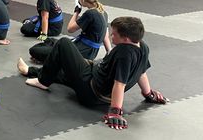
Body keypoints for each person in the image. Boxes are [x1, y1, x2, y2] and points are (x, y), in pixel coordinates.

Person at [17, 17, 168, 130]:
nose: (110, 37)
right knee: (62, 69)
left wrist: (115, 111)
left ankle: (42, 81)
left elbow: (119, 84)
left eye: (114, 34)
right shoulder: (143, 46)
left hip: (90, 90)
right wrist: (148, 94)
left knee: (63, 43)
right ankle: (30, 71)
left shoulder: (124, 53)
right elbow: (141, 72)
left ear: (126, 39)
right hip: (95, 80)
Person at [28, 0, 110, 64]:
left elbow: (70, 29)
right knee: (50, 41)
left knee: (34, 50)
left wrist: (77, 11)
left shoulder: (90, 13)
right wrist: (109, 52)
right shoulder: (103, 12)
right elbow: (105, 35)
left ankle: (52, 60)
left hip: (82, 52)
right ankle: (51, 57)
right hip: (89, 51)